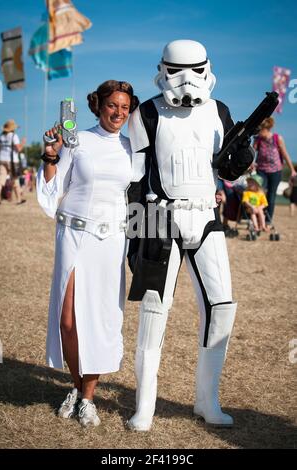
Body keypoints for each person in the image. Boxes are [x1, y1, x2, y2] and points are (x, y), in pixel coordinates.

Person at [126, 39, 254, 431]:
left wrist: (243, 155)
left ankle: (206, 399)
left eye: (195, 70)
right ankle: (144, 405)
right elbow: (133, 178)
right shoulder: (145, 112)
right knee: (153, 311)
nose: (187, 80)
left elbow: (230, 170)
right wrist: (136, 234)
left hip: (206, 218)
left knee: (222, 307)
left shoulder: (220, 111)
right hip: (158, 219)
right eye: (177, 70)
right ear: (162, 68)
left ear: (208, 68)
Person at [36, 80, 139, 427]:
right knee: (68, 321)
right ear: (99, 105)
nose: (119, 113)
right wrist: (51, 154)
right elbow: (54, 187)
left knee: (98, 320)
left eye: (125, 107)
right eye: (113, 105)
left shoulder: (133, 149)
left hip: (110, 242)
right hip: (73, 236)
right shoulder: (77, 141)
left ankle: (88, 398)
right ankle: (77, 387)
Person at [253, 117, 296, 221]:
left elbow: (285, 155)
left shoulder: (277, 138)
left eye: (260, 131)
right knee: (260, 192)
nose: (258, 133)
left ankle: (268, 220)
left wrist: (292, 170)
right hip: (261, 170)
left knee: (271, 196)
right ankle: (259, 216)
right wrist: (251, 163)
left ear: (266, 129)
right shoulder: (258, 139)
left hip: (275, 171)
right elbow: (252, 152)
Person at [0, 119, 26, 205]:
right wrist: (23, 143)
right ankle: (19, 199)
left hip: (1, 159)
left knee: (0, 180)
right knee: (15, 179)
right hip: (12, 161)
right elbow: (18, 149)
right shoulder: (14, 136)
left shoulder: (1, 136)